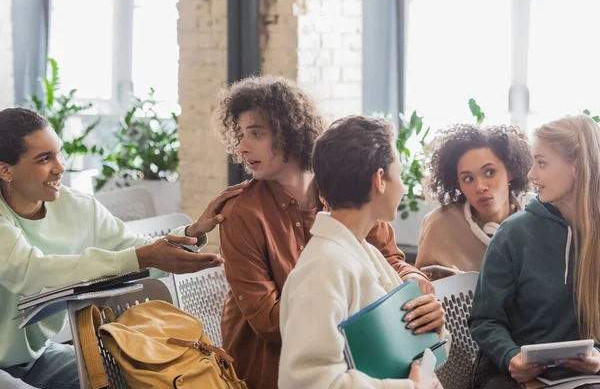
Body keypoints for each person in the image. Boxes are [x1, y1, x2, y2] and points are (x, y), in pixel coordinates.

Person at [214, 76, 440, 389]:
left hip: (355, 363)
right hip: (266, 368)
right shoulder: (242, 213)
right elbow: (269, 321)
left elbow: (389, 262)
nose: (242, 146)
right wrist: (373, 312)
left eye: (256, 132)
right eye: (240, 134)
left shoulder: (348, 189)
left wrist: (415, 289)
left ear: (289, 131)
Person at [0, 107, 245, 388]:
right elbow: (31, 272)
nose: (61, 166)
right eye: (45, 158)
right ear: (5, 170)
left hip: (39, 357)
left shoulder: (78, 207)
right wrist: (142, 256)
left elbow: (135, 250)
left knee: (131, 377)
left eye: (59, 152)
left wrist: (190, 234)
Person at [278, 115, 449, 388]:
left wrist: (432, 325)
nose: (403, 187)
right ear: (380, 179)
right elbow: (309, 382)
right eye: (400, 173)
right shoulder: (322, 269)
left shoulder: (362, 251)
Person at [469, 114, 600, 388]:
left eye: (541, 163)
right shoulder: (514, 233)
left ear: (576, 166)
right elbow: (485, 319)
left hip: (582, 379)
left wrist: (597, 358)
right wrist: (511, 356)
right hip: (507, 375)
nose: (531, 174)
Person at [415, 124, 533, 279]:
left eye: (490, 172)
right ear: (458, 184)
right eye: (468, 179)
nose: (480, 187)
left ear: (510, 171)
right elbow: (422, 288)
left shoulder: (537, 218)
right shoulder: (439, 224)